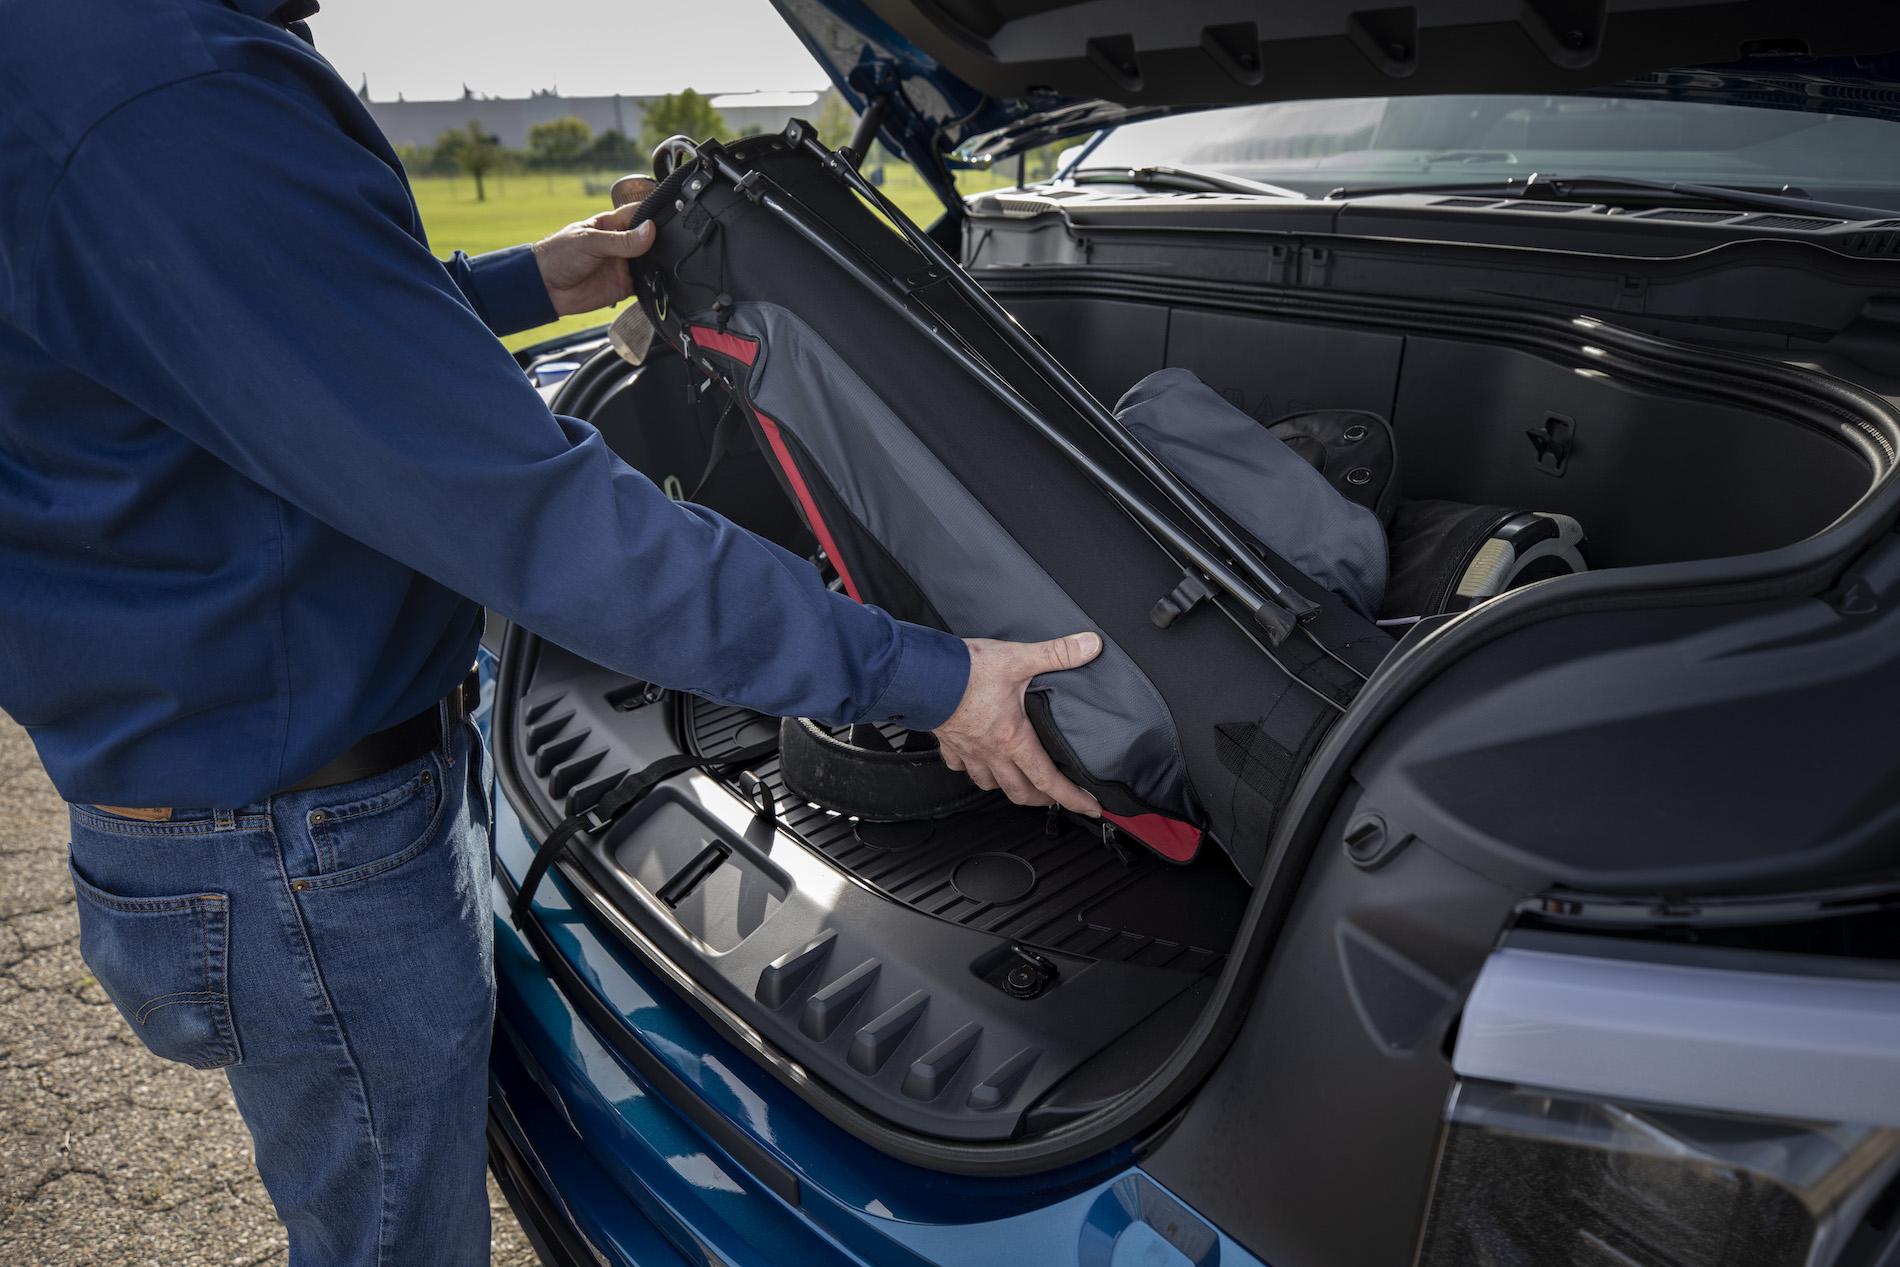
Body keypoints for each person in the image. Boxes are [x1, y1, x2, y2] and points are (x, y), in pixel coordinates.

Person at [0, 1, 1103, 1261]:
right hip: (296, 851)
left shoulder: (76, 58)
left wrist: (527, 281)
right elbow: (527, 516)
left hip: (242, 804)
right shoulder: (159, 91)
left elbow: (258, 347)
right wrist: (922, 674)